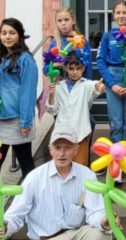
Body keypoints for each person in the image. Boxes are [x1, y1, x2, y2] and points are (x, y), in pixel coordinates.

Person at [2, 128, 113, 240]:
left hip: (77, 233)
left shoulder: (87, 175)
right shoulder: (34, 177)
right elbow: (15, 215)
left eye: (67, 148)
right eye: (57, 147)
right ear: (50, 150)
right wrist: (5, 226)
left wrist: (103, 221)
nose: (62, 153)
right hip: (47, 237)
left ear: (76, 150)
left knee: (102, 234)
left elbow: (95, 211)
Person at [96, 0, 126, 183]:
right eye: (118, 13)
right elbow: (100, 61)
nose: (121, 16)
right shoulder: (107, 37)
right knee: (116, 122)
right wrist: (112, 83)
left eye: (125, 12)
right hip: (113, 79)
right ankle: (115, 164)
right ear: (114, 15)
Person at [47, 50, 105, 166]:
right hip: (61, 134)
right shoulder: (59, 87)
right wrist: (51, 95)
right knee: (62, 166)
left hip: (81, 133)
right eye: (71, 68)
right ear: (65, 68)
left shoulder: (86, 85)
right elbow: (52, 110)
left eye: (78, 69)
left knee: (81, 165)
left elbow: (96, 87)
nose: (74, 72)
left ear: (83, 68)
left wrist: (100, 86)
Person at [0, 18, 38, 178]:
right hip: (1, 119)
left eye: (12, 33)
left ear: (20, 36)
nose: (7, 37)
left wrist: (25, 122)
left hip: (18, 121)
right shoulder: (2, 58)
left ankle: (35, 199)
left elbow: (28, 92)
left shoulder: (26, 60)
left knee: (26, 165)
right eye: (3, 33)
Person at [43, 7, 92, 79]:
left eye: (66, 20)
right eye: (59, 21)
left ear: (73, 20)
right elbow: (45, 69)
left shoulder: (81, 42)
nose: (63, 23)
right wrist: (54, 65)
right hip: (61, 85)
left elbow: (88, 67)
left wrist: (89, 86)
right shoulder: (54, 43)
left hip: (80, 85)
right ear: (56, 23)